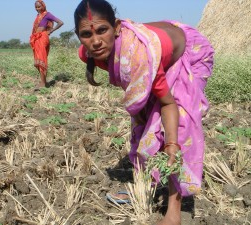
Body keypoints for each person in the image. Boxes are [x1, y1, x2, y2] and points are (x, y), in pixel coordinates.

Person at [74, 0, 214, 224]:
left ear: (117, 27)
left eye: (102, 30)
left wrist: (170, 145)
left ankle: (174, 212)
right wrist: (141, 114)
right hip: (157, 56)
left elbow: (168, 104)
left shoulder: (139, 55)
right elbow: (132, 87)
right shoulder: (88, 53)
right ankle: (143, 188)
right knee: (143, 124)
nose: (96, 41)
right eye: (86, 34)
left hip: (188, 52)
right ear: (78, 35)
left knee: (179, 126)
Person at [30, 0, 64, 90]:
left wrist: (51, 31)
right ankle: (44, 82)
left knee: (41, 59)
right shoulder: (38, 16)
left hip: (42, 37)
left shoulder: (47, 14)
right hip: (36, 38)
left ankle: (42, 83)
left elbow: (60, 22)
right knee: (38, 60)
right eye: (36, 7)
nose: (37, 9)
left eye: (39, 7)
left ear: (43, 6)